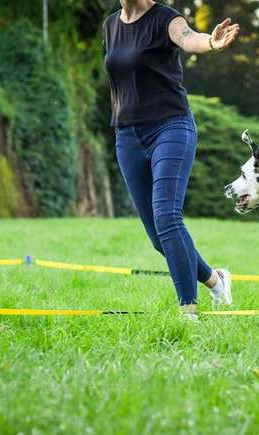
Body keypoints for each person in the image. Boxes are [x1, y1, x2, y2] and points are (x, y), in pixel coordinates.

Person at [103, 1, 239, 319]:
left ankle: (188, 311)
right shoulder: (109, 25)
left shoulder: (165, 18)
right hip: (127, 136)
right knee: (157, 237)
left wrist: (211, 42)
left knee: (167, 217)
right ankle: (217, 281)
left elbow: (188, 37)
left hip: (170, 126)